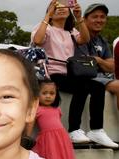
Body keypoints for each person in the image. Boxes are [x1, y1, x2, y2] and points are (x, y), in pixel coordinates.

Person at [32, 0, 117, 148]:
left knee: (97, 87)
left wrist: (79, 18)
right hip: (51, 73)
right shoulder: (46, 28)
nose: (62, 9)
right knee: (81, 88)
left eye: (65, 7)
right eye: (57, 7)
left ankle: (96, 129)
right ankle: (74, 129)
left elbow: (85, 39)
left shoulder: (71, 31)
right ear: (51, 10)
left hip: (69, 73)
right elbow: (38, 40)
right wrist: (47, 16)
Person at [26, 79, 77, 159]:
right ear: (37, 94)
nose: (48, 96)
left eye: (52, 93)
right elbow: (30, 124)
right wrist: (26, 137)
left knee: (61, 158)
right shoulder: (37, 109)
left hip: (61, 138)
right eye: (44, 93)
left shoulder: (57, 109)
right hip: (48, 139)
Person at [79, 3, 119, 119]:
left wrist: (99, 61)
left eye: (102, 17)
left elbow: (112, 67)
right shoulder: (80, 37)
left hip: (104, 77)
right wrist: (103, 63)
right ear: (84, 19)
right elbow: (85, 66)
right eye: (95, 17)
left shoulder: (102, 41)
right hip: (87, 79)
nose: (99, 20)